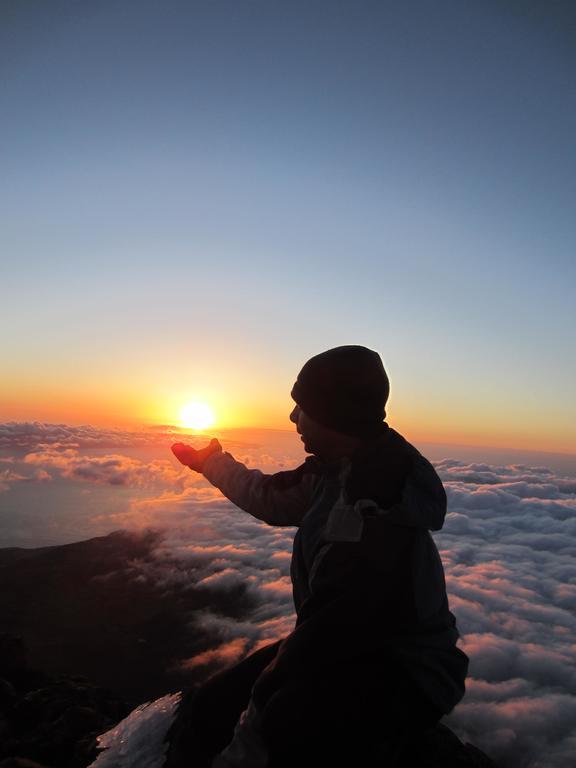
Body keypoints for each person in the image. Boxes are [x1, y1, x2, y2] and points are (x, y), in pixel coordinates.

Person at [167, 345, 469, 768]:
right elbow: (272, 497)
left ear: (333, 414)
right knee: (214, 702)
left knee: (285, 722)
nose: (293, 418)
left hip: (406, 670)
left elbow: (332, 634)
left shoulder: (370, 512)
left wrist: (245, 749)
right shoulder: (338, 470)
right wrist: (211, 463)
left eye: (300, 406)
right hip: (352, 644)